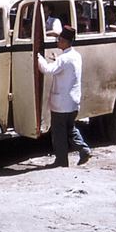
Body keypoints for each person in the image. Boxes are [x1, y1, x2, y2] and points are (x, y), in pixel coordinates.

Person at [36, 26, 91, 167]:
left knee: (59, 133)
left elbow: (47, 70)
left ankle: (61, 160)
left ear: (66, 42)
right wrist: (56, 60)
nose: (57, 41)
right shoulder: (76, 56)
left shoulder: (64, 59)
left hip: (61, 103)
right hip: (73, 102)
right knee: (70, 128)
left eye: (59, 39)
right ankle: (83, 149)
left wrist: (38, 57)